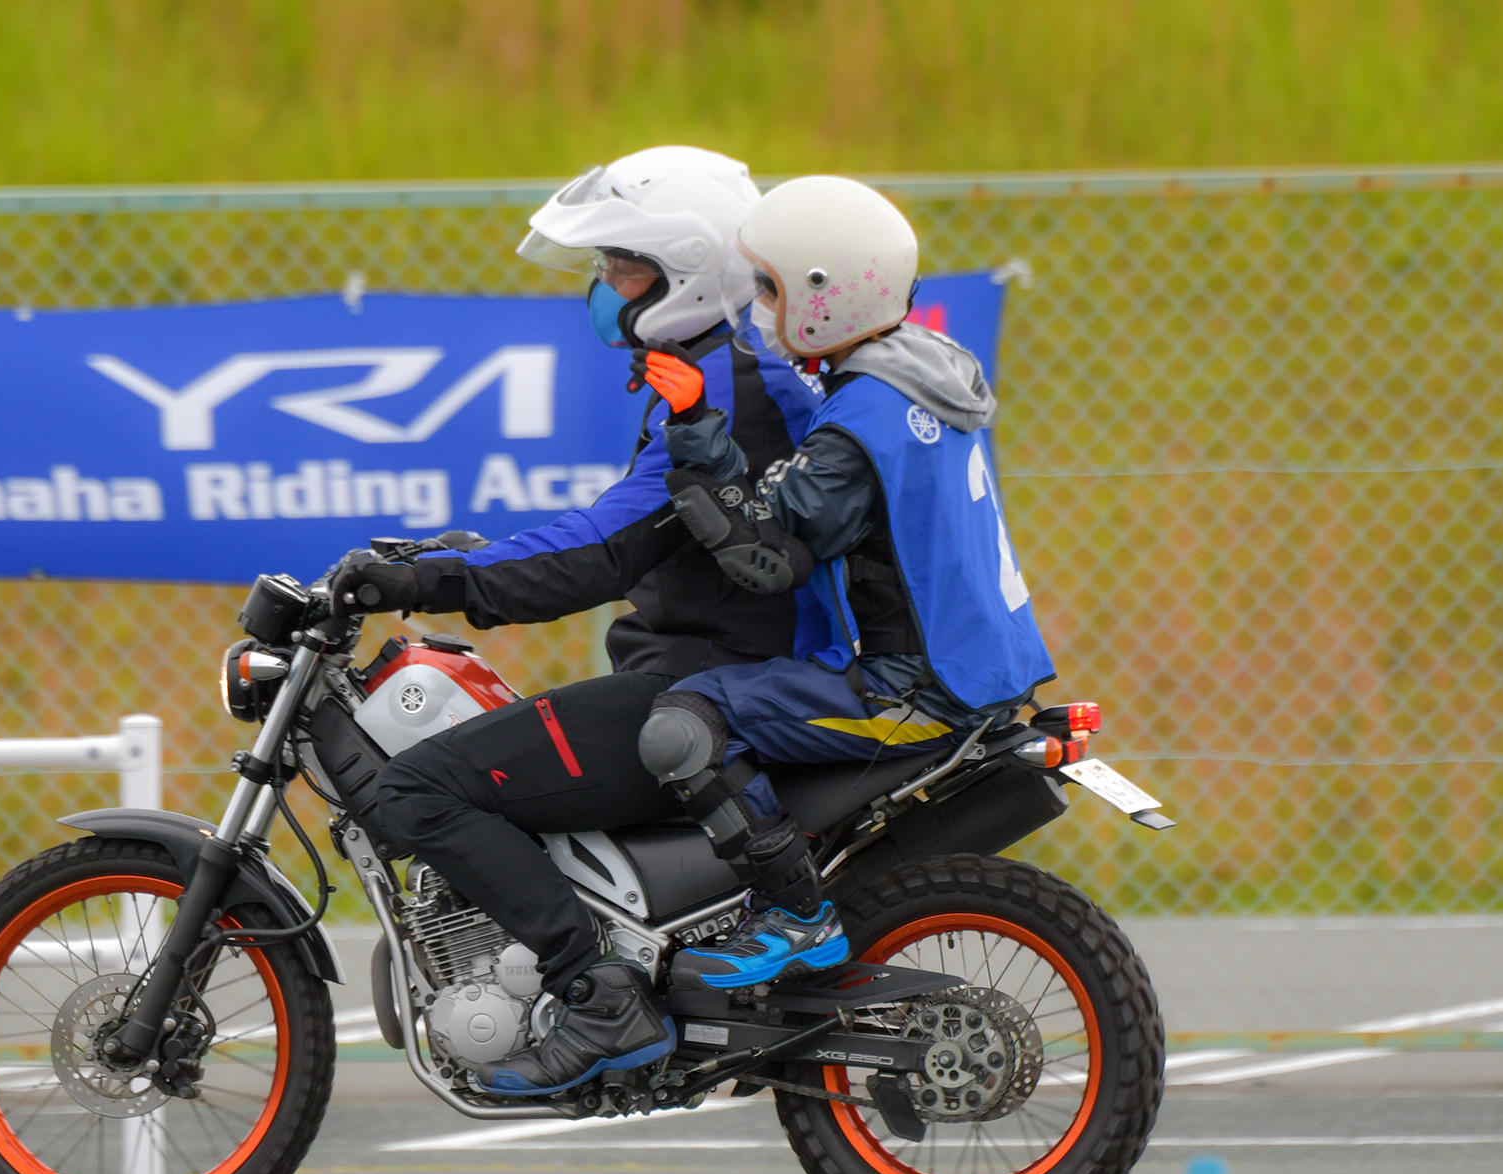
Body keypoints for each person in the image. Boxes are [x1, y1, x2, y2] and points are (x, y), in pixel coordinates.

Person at [327, 146, 821, 1096]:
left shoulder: (729, 387)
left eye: (621, 268)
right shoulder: (720, 370)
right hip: (718, 669)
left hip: (703, 683)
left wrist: (427, 581)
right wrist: (445, 564)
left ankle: (597, 995)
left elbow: (600, 551)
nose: (603, 289)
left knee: (419, 790)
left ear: (686, 272)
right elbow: (622, 527)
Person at [633, 174, 1057, 990]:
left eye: (770, 287)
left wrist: (695, 438)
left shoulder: (858, 426)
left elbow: (765, 558)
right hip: (985, 675)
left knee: (682, 725)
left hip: (913, 692)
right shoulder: (930, 371)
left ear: (825, 296)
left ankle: (793, 916)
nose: (758, 305)